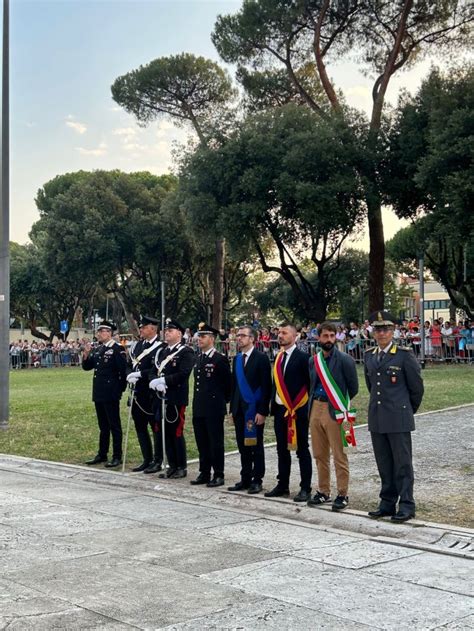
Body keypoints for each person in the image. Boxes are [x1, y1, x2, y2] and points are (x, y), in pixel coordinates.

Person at [364, 310, 424, 522]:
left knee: (402, 464)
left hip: (398, 417)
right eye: (377, 329)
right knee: (384, 463)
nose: (381, 333)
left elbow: (416, 389)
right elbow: (371, 386)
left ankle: (407, 504)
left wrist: (406, 410)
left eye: (386, 329)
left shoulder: (404, 355)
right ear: (373, 332)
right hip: (378, 417)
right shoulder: (369, 355)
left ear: (393, 331)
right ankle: (387, 502)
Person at [307, 321, 358, 512]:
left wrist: (340, 404)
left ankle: (342, 493)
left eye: (331, 336)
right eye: (325, 336)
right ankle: (323, 490)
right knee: (319, 454)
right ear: (318, 337)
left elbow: (353, 388)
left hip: (335, 410)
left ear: (336, 337)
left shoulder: (345, 360)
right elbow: (311, 384)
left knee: (339, 454)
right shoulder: (313, 361)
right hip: (315, 408)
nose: (328, 339)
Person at [265, 323, 312, 502]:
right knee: (281, 449)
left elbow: (309, 384)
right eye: (279, 333)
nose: (280, 336)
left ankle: (305, 488)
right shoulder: (278, 357)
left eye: (284, 333)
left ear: (295, 336)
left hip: (297, 410)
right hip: (280, 411)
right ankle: (282, 484)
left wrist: (302, 407)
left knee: (301, 450)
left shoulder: (303, 358)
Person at [228, 325, 272, 494]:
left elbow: (266, 386)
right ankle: (245, 478)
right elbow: (234, 386)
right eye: (238, 335)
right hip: (239, 409)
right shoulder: (237, 359)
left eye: (243, 335)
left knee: (256, 446)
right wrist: (232, 409)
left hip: (254, 410)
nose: (239, 338)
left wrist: (262, 411)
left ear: (252, 338)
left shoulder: (261, 358)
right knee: (242, 446)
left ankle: (257, 479)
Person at [149, 318, 195, 479]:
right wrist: (154, 381)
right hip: (160, 397)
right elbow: (153, 370)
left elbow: (183, 374)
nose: (167, 333)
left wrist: (164, 381)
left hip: (175, 398)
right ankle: (172, 465)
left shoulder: (186, 352)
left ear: (180, 334)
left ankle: (181, 466)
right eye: (166, 330)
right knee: (164, 432)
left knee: (176, 432)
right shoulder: (162, 352)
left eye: (170, 330)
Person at [190, 323, 232, 487]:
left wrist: (222, 402)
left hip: (214, 408)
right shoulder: (199, 357)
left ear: (212, 339)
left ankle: (219, 474)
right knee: (202, 441)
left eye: (203, 336)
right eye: (199, 336)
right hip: (199, 406)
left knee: (215, 442)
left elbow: (227, 385)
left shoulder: (219, 359)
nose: (199, 339)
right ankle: (205, 472)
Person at [82, 321, 127, 468]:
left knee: (114, 425)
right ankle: (102, 453)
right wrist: (86, 353)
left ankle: (117, 455)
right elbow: (87, 367)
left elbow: (122, 371)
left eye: (102, 331)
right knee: (103, 426)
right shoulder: (99, 349)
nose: (99, 334)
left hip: (111, 392)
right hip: (99, 392)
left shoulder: (117, 349)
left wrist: (119, 391)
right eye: (99, 331)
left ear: (109, 333)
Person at [126, 316, 165, 473]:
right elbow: (129, 364)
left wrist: (140, 374)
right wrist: (129, 374)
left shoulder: (160, 347)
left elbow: (157, 369)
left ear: (153, 329)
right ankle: (147, 458)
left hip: (151, 393)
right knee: (140, 426)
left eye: (144, 327)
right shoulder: (137, 346)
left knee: (155, 427)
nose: (140, 329)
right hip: (137, 393)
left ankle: (158, 459)